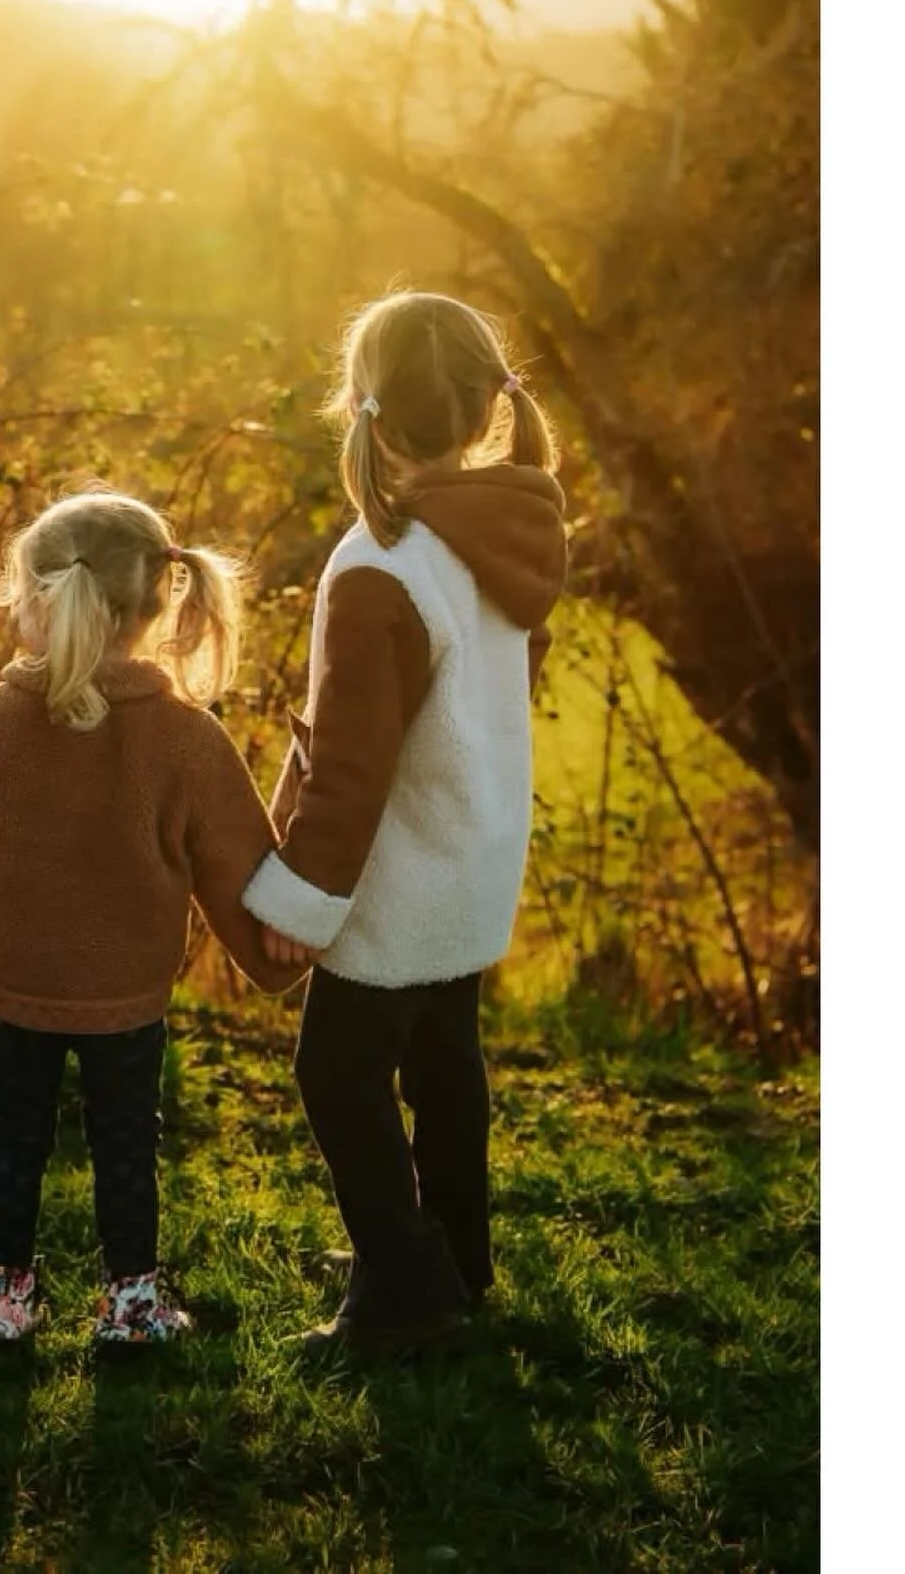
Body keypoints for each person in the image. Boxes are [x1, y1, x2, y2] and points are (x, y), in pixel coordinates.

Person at [0, 490, 301, 1344]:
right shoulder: (187, 735)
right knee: (124, 1148)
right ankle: (130, 1305)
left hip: (11, 987)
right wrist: (277, 957)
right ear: (158, 605)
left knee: (12, 1141)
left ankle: (6, 1306)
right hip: (128, 997)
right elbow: (243, 862)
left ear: (37, 601)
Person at [243, 290, 569, 1354]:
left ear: (366, 413)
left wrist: (302, 898)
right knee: (443, 1066)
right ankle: (454, 1259)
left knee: (334, 1072)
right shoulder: (513, 534)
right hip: (472, 858)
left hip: (394, 877)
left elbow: (349, 763)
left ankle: (406, 1287)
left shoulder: (379, 565)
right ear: (486, 412)